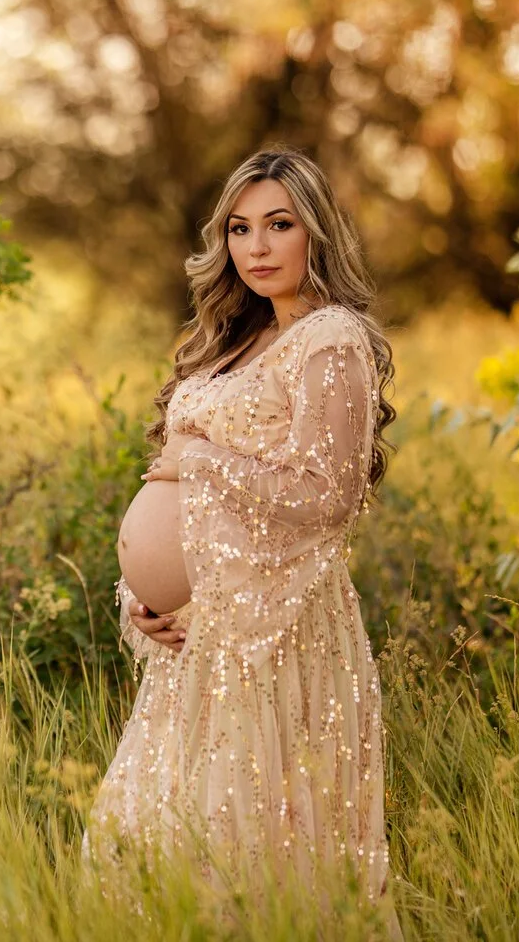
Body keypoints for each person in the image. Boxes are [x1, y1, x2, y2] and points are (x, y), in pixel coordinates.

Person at [83, 146, 403, 937]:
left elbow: (329, 498)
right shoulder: (235, 341)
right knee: (150, 841)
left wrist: (205, 459)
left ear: (315, 234)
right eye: (239, 228)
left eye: (279, 225)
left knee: (248, 853)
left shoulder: (331, 338)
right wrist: (145, 597)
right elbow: (177, 491)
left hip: (278, 636)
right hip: (197, 644)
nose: (256, 247)